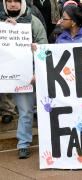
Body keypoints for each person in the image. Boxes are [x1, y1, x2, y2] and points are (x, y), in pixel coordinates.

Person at [0, 0, 48, 159]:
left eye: (16, 1)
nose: (13, 4)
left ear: (22, 3)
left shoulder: (34, 22)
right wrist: (5, 30)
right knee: (25, 111)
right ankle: (23, 143)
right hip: (6, 75)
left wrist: (36, 69)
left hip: (27, 76)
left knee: (28, 110)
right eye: (9, 1)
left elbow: (44, 47)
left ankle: (25, 144)